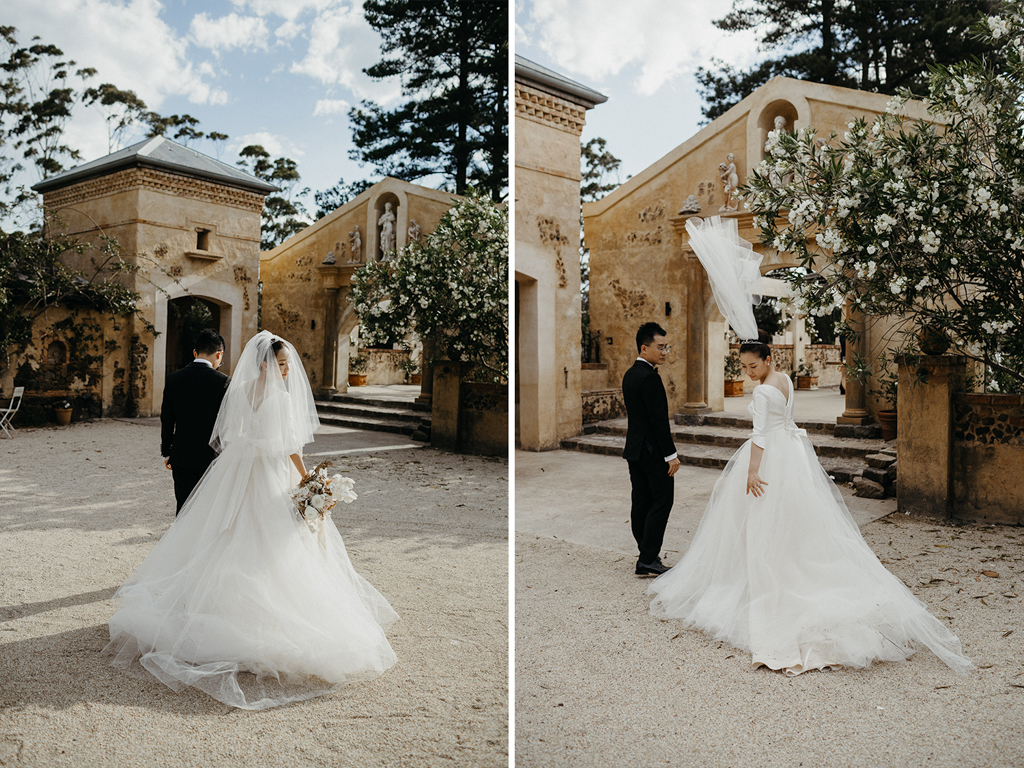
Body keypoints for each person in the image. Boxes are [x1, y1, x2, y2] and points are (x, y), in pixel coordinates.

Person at [647, 217, 973, 677]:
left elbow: (759, 436)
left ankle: (767, 587)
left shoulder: (763, 390)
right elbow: (781, 420)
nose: (747, 372)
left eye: (750, 364)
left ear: (764, 360)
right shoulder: (782, 379)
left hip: (772, 458)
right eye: (743, 366)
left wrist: (754, 472)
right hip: (794, 455)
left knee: (762, 524)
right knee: (798, 522)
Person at [105, 331, 398, 709]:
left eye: (286, 363)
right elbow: (291, 445)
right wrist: (307, 478)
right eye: (281, 363)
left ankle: (207, 605)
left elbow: (227, 434)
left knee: (223, 532)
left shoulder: (239, 391)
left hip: (237, 466)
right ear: (264, 363)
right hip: (267, 470)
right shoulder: (278, 397)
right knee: (272, 540)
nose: (287, 368)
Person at [622, 322, 681, 576]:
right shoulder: (650, 377)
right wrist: (671, 455)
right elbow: (658, 422)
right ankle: (647, 559)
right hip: (652, 452)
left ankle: (646, 552)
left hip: (634, 450)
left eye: (666, 347)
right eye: (660, 347)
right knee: (662, 500)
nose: (665, 351)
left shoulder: (629, 374)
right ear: (644, 348)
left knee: (641, 500)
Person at [160, 328, 229, 514]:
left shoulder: (173, 379)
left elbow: (167, 418)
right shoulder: (223, 381)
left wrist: (167, 451)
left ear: (194, 352)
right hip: (211, 456)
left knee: (183, 507)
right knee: (207, 510)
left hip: (181, 454)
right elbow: (226, 423)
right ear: (219, 354)